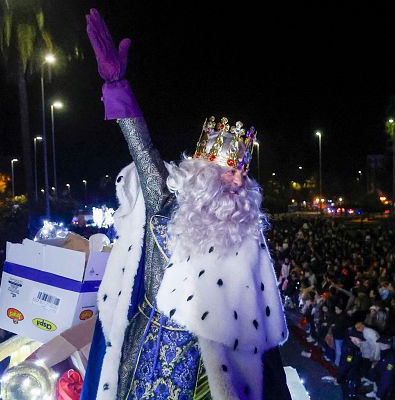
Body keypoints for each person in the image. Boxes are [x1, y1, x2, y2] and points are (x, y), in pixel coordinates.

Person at [81, 9, 289, 400]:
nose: (239, 181)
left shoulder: (245, 232)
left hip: (215, 372)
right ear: (203, 174)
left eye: (242, 173)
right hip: (149, 356)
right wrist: (118, 86)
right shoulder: (164, 204)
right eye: (229, 172)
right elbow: (142, 149)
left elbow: (260, 326)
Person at [338, 329, 366, 399]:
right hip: (349, 377)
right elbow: (345, 365)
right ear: (352, 338)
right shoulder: (350, 350)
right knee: (348, 394)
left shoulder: (355, 348)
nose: (360, 342)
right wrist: (339, 378)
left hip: (354, 375)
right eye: (359, 339)